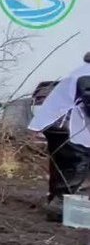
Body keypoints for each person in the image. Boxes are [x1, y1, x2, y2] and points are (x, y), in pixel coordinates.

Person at [28, 53, 90, 221]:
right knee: (76, 165)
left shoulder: (82, 71)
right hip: (68, 126)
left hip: (59, 125)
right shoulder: (87, 74)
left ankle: (57, 203)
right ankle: (65, 210)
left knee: (63, 167)